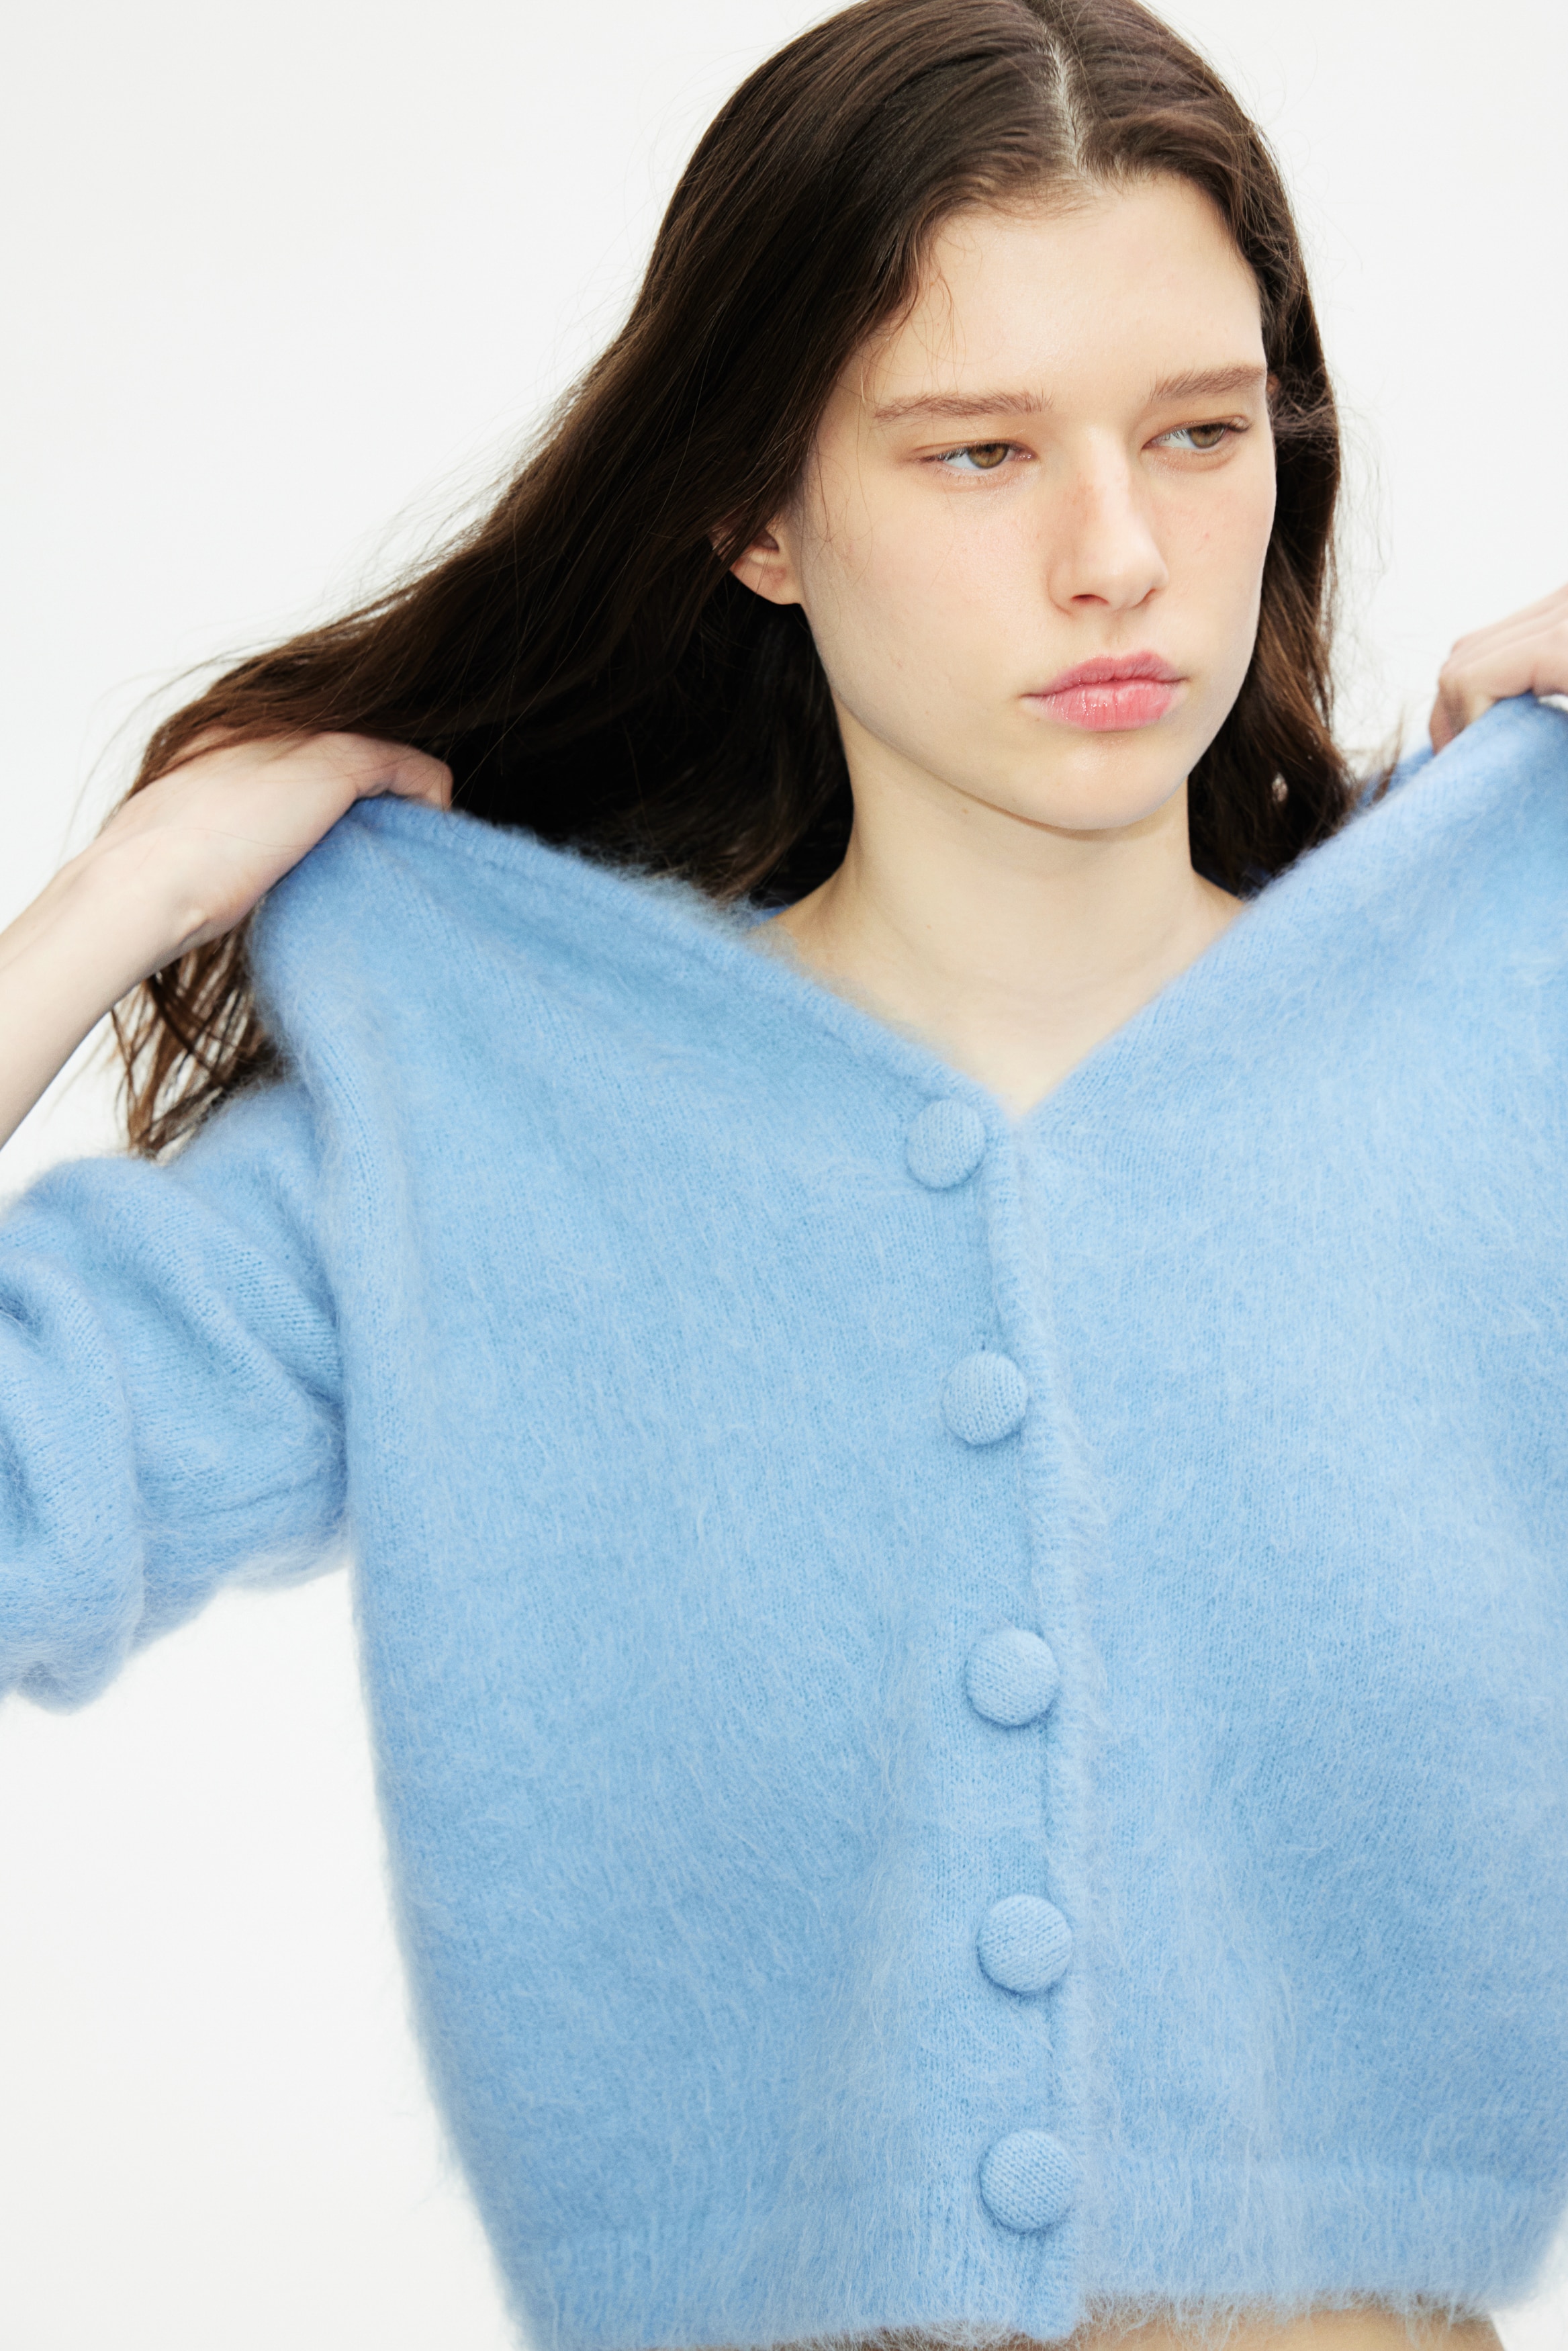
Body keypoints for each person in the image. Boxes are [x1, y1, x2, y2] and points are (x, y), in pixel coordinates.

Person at [3, 1, 1567, 2348]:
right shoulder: (490, 1134)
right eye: (978, 454)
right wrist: (101, 912)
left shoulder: (1505, 1029)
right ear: (756, 513)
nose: (1120, 557)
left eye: (1200, 432)